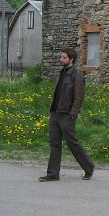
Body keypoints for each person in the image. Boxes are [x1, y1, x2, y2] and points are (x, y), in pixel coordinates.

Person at [39, 48, 95, 182]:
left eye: (64, 58)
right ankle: (53, 173)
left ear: (71, 59)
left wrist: (73, 114)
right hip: (55, 113)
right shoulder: (62, 73)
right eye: (61, 57)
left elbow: (79, 97)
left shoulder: (77, 75)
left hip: (67, 115)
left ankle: (88, 167)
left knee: (72, 143)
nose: (61, 60)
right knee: (54, 143)